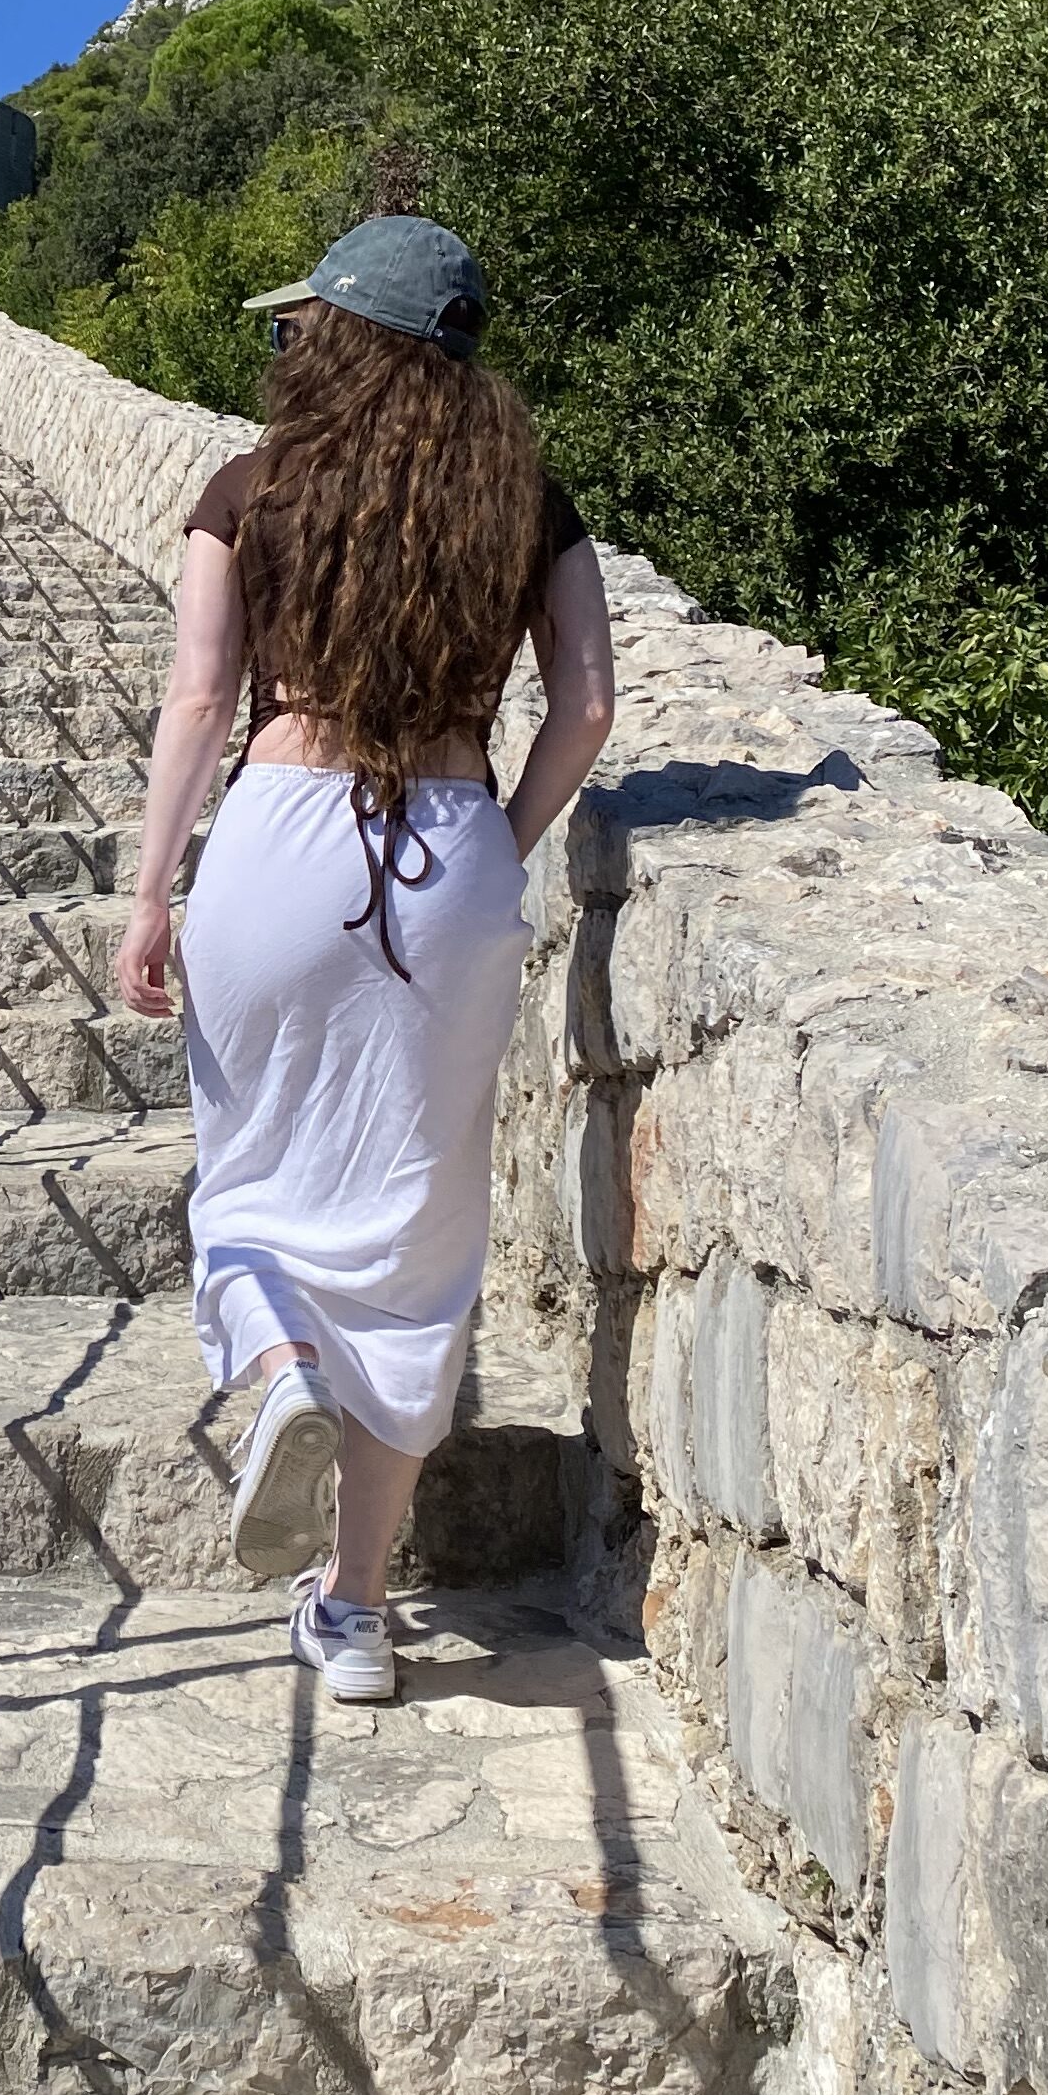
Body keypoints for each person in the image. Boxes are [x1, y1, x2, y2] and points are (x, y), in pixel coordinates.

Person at [114, 215, 615, 1703]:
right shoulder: (524, 498)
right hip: (449, 844)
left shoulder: (249, 488)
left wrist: (152, 896)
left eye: (295, 330)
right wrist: (498, 849)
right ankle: (350, 1615)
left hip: (274, 839)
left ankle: (278, 1371)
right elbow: (585, 705)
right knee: (417, 1238)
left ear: (330, 337)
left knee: (248, 1178)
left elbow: (201, 701)